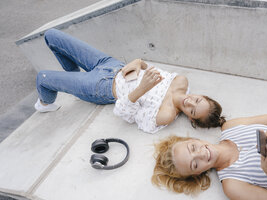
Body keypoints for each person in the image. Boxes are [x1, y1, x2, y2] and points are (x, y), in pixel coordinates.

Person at [35, 28, 225, 133]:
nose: (189, 102)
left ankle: (46, 103)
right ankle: (73, 78)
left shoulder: (166, 114)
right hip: (111, 64)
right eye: (198, 100)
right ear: (202, 95)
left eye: (192, 110)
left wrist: (141, 90)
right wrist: (139, 62)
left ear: (191, 118)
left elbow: (122, 112)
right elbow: (147, 69)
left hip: (101, 87)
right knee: (51, 35)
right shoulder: (181, 81)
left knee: (42, 77)